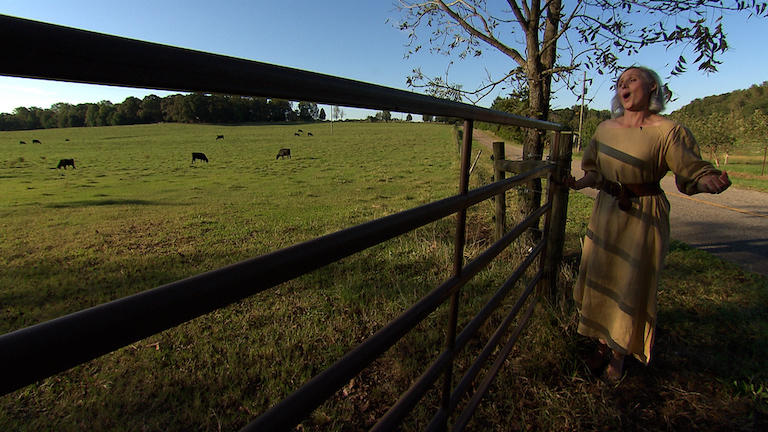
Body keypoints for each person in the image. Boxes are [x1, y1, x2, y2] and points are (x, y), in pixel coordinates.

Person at [567, 66, 731, 381]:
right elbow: (594, 171)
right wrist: (576, 184)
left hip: (643, 216)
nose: (623, 85)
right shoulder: (604, 129)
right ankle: (602, 342)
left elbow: (690, 175)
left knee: (630, 283)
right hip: (606, 211)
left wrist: (707, 180)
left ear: (652, 87)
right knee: (601, 274)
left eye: (632, 79)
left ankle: (618, 357)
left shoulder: (668, 130)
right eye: (619, 83)